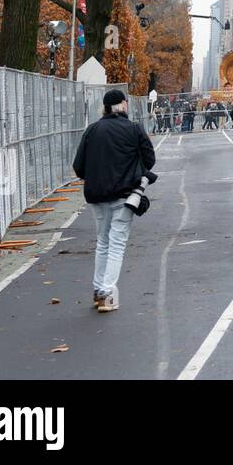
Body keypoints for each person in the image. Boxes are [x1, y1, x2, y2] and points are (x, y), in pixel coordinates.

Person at [72, 89, 155, 313]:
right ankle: (108, 293)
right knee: (117, 244)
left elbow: (78, 166)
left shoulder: (92, 130)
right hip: (125, 194)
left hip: (96, 195)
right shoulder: (134, 129)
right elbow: (150, 159)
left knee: (102, 242)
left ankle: (99, 290)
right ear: (123, 105)